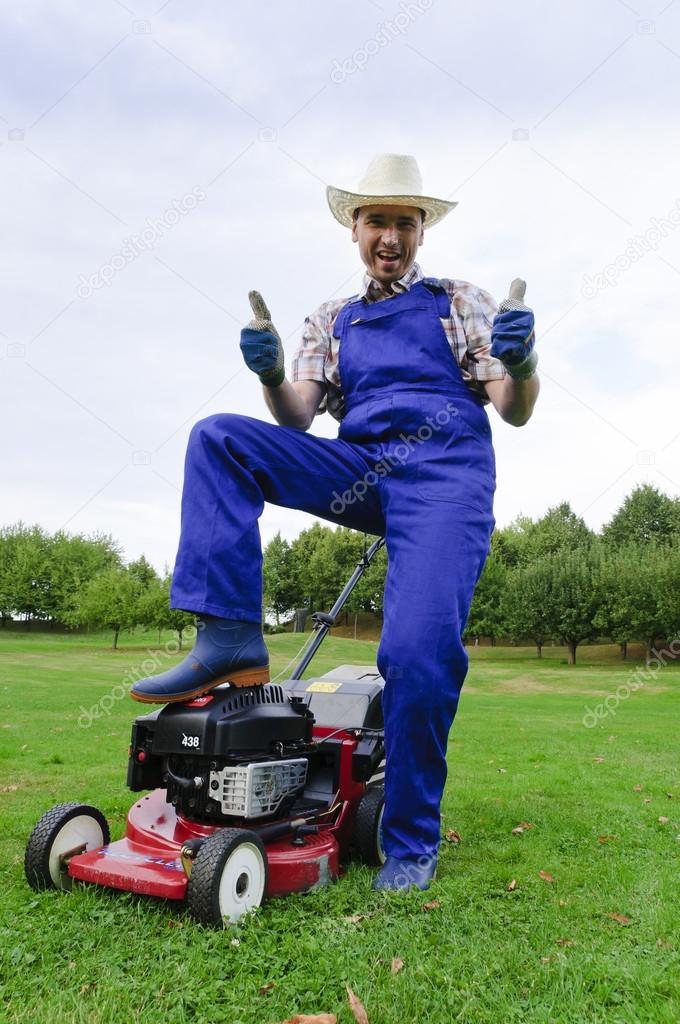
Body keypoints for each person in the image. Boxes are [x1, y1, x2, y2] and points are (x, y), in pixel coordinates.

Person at [129, 153, 539, 891]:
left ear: (421, 232)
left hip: (446, 480)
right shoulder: (333, 319)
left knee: (415, 655)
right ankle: (228, 639)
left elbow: (513, 407)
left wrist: (526, 360)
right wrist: (267, 375)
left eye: (404, 223)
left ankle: (411, 840)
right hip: (363, 472)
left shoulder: (459, 300)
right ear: (354, 228)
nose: (390, 235)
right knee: (218, 438)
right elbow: (297, 413)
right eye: (376, 220)